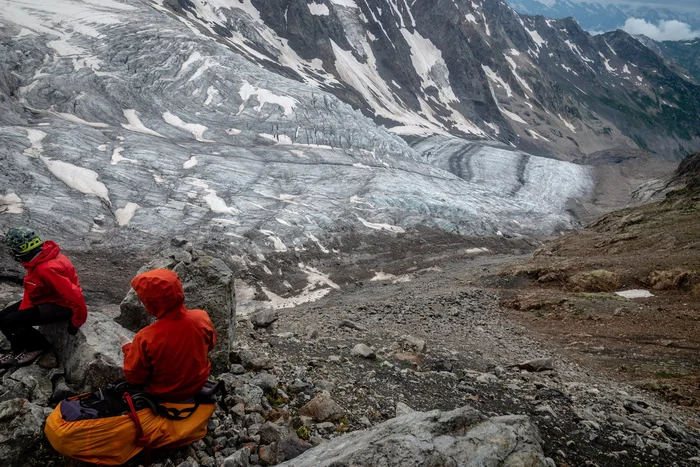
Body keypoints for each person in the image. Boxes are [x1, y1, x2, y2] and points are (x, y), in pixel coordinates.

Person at [120, 268, 216, 401]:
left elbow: (134, 377)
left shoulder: (146, 337)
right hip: (198, 384)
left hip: (166, 395)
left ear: (152, 304)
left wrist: (128, 348)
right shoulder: (201, 317)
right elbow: (210, 345)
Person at [0, 227, 87, 368]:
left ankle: (38, 346)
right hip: (47, 299)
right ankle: (18, 349)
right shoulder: (39, 258)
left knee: (12, 320)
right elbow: (32, 289)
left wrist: (76, 322)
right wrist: (24, 310)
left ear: (21, 250)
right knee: (3, 317)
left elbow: (74, 295)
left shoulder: (46, 268)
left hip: (61, 306)